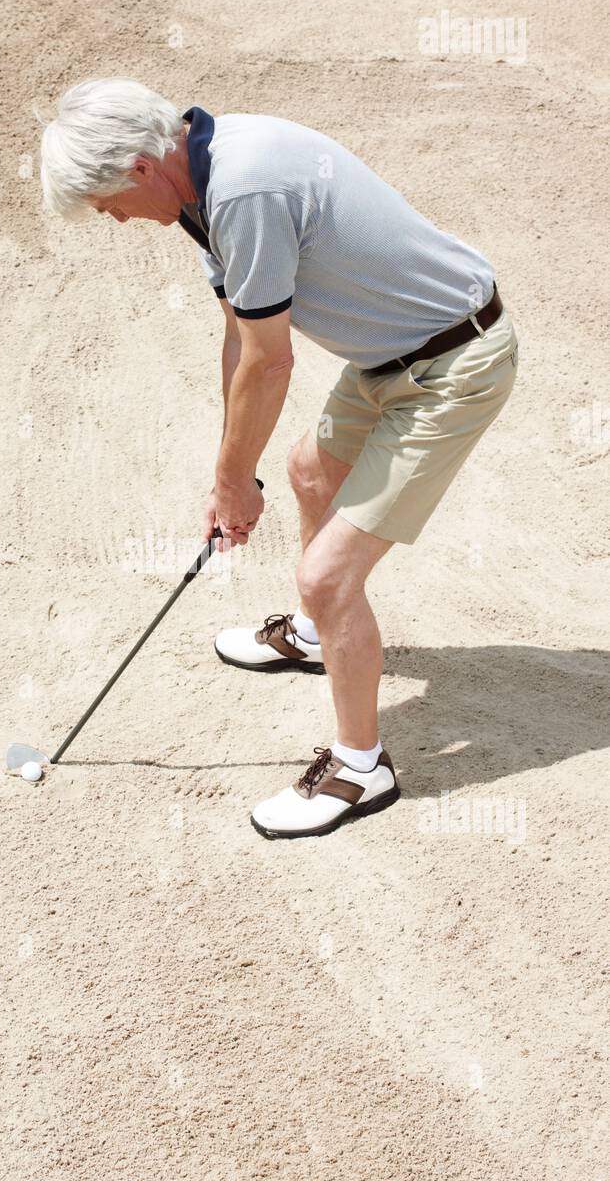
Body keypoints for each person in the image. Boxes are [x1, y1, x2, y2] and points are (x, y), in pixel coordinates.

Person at [39, 79, 519, 837]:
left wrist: (233, 482)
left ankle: (362, 768)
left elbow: (271, 362)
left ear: (138, 167)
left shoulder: (243, 189)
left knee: (328, 575)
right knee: (307, 472)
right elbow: (239, 337)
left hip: (453, 365)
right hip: (388, 361)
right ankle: (310, 631)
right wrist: (232, 476)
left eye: (106, 204)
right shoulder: (202, 186)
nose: (111, 218)